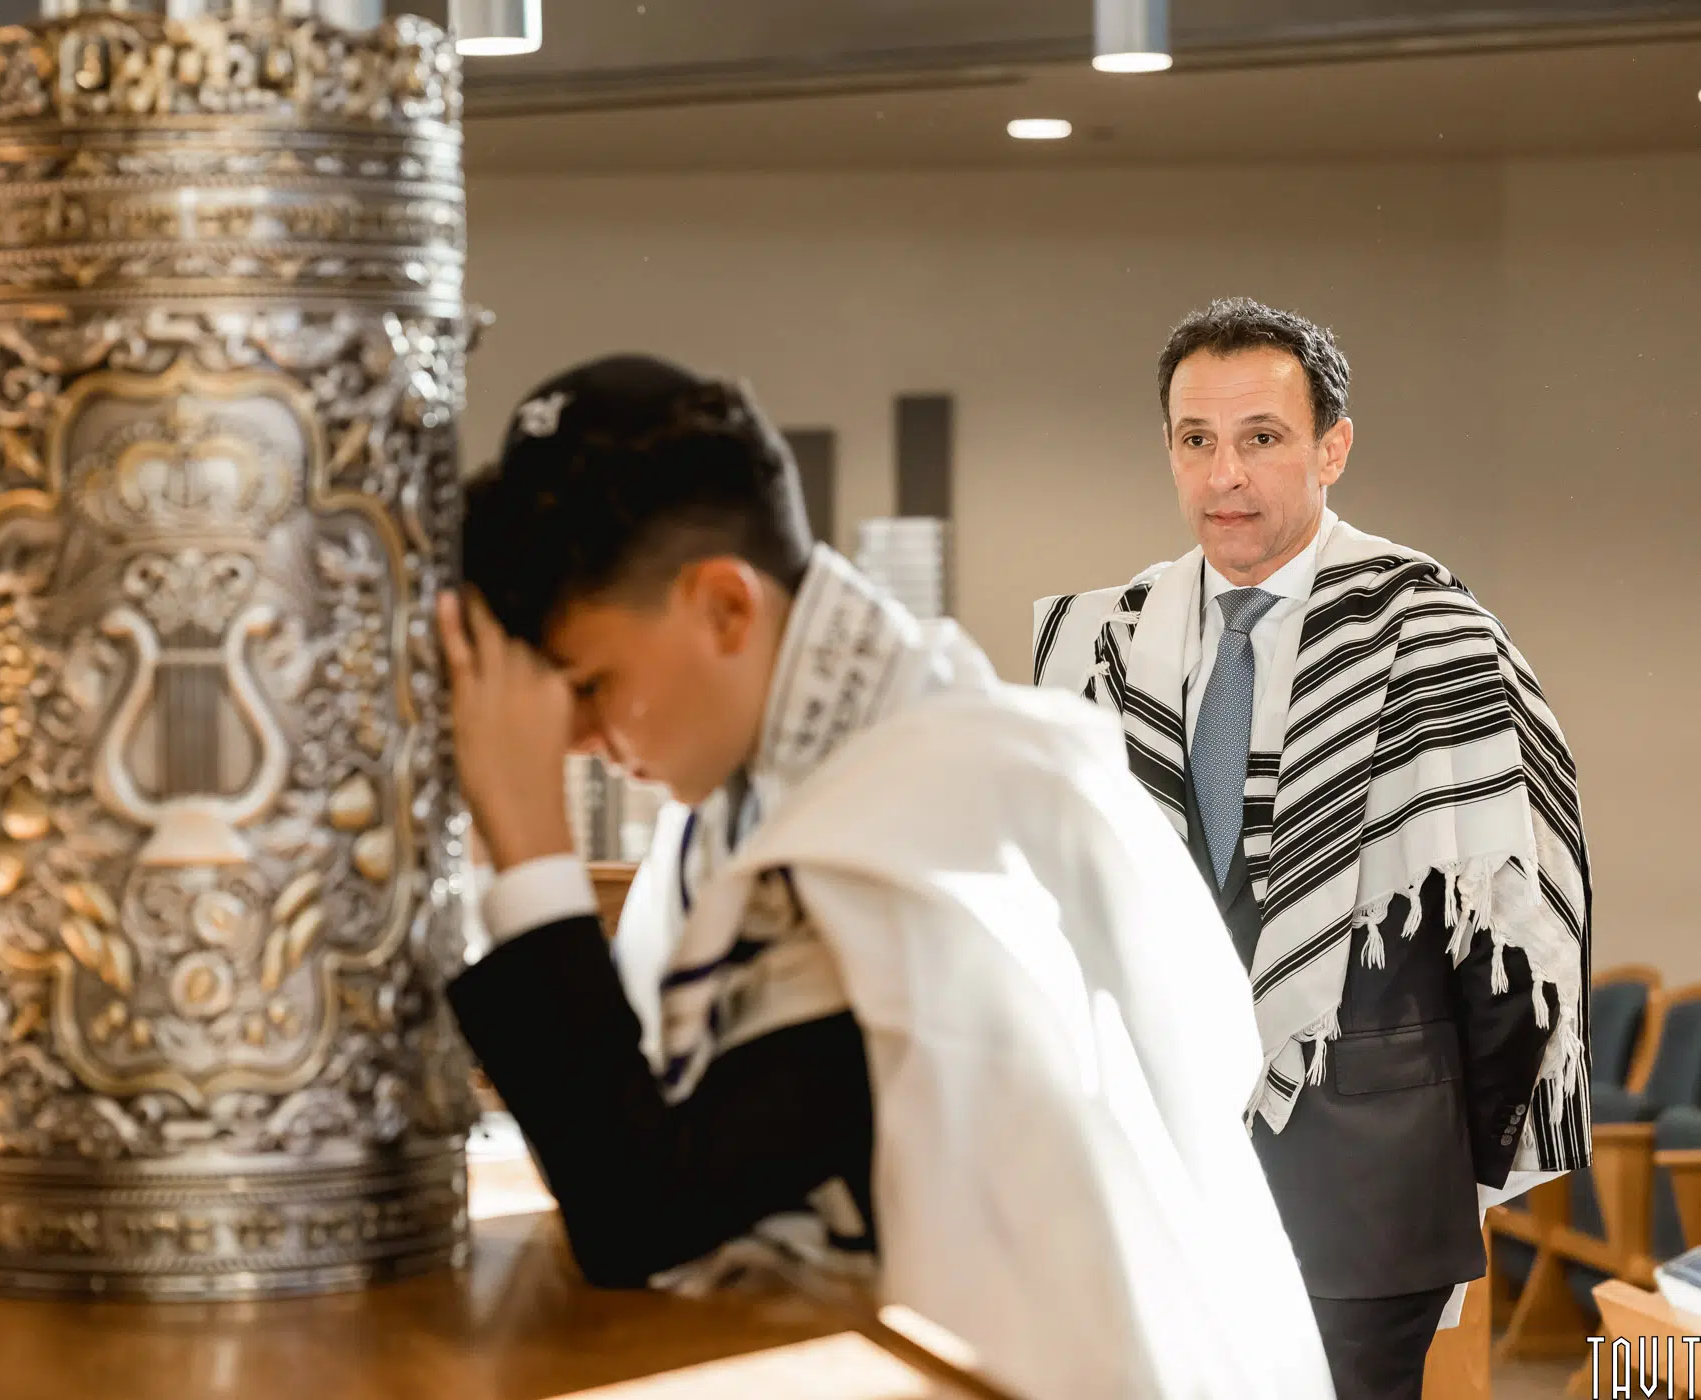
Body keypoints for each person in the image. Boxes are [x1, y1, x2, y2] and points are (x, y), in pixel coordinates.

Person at [438, 353, 1333, 1399]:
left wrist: (531, 848)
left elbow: (648, 1206)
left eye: (591, 685)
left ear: (727, 608)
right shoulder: (830, 770)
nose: (578, 738)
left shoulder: (924, 824)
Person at [1033, 297, 1592, 1400]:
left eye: (1262, 437)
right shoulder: (1106, 641)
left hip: (1365, 1183)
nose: (1225, 474)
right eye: (1197, 441)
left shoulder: (1433, 634)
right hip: (1156, 1180)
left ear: (1332, 447)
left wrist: (1457, 1166)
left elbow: (1518, 935)